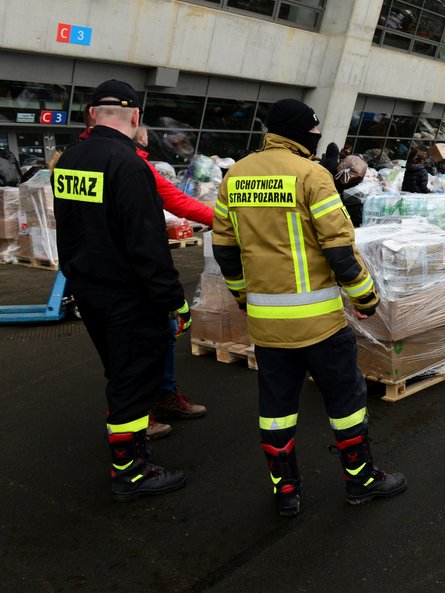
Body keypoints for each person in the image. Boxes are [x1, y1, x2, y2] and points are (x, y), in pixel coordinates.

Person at [212, 99, 406, 517]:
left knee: (277, 409)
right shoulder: (311, 175)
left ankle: (285, 491)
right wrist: (365, 298)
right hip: (319, 323)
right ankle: (361, 481)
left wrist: (243, 296)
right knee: (345, 401)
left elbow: (225, 249)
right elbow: (339, 248)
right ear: (304, 134)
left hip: (266, 324)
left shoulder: (236, 175)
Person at [52, 79, 188, 501]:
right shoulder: (128, 164)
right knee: (132, 381)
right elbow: (146, 243)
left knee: (119, 372)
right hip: (129, 296)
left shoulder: (70, 159)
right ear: (135, 118)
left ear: (92, 115)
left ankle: (130, 456)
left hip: (89, 289)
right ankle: (131, 471)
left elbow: (70, 229)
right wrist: (174, 300)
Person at [132, 124, 210, 438]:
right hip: (130, 270)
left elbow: (176, 201)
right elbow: (177, 202)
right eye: (142, 129)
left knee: (163, 332)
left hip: (132, 267)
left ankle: (163, 396)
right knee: (136, 346)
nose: (147, 135)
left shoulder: (134, 163)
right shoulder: (128, 165)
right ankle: (137, 416)